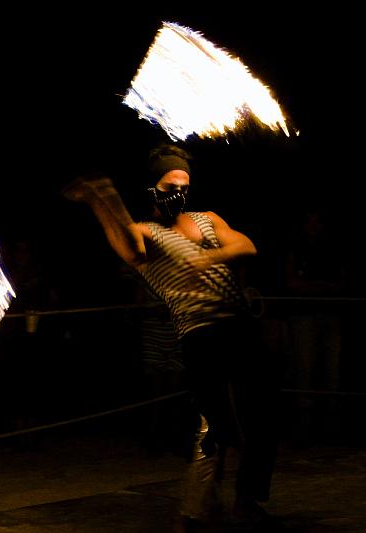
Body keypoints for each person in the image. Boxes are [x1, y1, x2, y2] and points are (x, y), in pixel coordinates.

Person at [62, 144, 278, 529]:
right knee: (215, 427)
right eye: (170, 183)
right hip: (200, 334)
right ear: (153, 188)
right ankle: (192, 514)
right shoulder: (146, 231)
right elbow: (129, 249)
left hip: (240, 326)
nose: (179, 191)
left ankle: (246, 499)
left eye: (184, 183)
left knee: (263, 417)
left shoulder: (207, 218)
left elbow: (246, 244)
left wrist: (206, 257)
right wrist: (102, 199)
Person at [283, 205, 347, 443]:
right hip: (303, 316)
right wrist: (321, 288)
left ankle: (330, 422)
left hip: (330, 315)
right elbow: (291, 283)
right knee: (303, 368)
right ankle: (303, 425)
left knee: (332, 368)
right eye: (310, 222)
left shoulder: (332, 249)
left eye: (317, 222)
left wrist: (314, 287)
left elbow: (341, 284)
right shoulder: (295, 249)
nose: (314, 227)